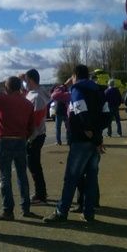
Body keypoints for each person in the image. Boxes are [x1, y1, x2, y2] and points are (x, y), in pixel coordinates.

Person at [44, 64, 109, 224]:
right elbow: (107, 114)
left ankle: (61, 212)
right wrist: (97, 135)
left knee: (71, 178)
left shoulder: (77, 90)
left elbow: (81, 112)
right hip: (95, 141)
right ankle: (88, 213)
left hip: (81, 140)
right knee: (91, 178)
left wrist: (89, 130)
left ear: (74, 76)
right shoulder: (99, 90)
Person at [0, 77, 35, 220]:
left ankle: (8, 210)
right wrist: (25, 136)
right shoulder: (28, 103)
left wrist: (0, 83)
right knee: (22, 175)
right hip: (21, 141)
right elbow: (31, 126)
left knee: (5, 176)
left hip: (5, 141)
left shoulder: (3, 100)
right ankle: (25, 208)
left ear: (7, 88)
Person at [21, 69, 50, 204]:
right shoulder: (34, 92)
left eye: (26, 80)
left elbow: (36, 121)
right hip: (35, 135)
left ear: (31, 80)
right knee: (34, 165)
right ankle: (41, 192)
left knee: (34, 166)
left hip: (35, 136)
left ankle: (40, 195)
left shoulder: (37, 96)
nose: (25, 83)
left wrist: (28, 137)